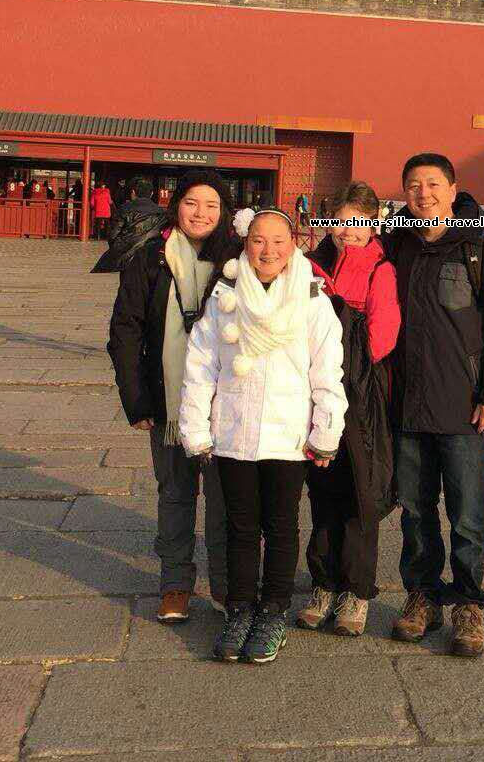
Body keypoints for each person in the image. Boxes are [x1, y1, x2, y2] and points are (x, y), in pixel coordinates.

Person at [180, 209, 348, 664]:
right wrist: (196, 428)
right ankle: (239, 609)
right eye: (258, 240)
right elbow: (201, 367)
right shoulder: (225, 295)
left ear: (293, 245)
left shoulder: (312, 298)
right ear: (245, 243)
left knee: (280, 526)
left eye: (277, 241)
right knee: (240, 527)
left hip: (287, 434)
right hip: (234, 429)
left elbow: (327, 370)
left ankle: (273, 610)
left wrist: (326, 429)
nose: (268, 250)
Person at [384, 154, 484, 659]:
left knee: (467, 514)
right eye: (413, 185)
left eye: (432, 184)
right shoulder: (396, 242)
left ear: (452, 190)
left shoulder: (480, 245)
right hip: (407, 405)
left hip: (466, 409)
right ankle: (423, 595)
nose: (423, 194)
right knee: (414, 510)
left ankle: (468, 600)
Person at [104, 171, 241, 624]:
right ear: (175, 205)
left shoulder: (238, 259)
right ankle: (175, 584)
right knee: (176, 496)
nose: (201, 213)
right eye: (191, 203)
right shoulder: (150, 257)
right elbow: (125, 330)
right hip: (169, 402)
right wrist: (136, 399)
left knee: (224, 502)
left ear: (224, 212)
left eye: (211, 205)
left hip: (225, 405)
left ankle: (226, 585)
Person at [297, 181, 401, 637]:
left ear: (373, 223)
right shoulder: (309, 265)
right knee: (322, 490)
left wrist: (337, 353)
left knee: (360, 492)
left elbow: (382, 337)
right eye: (340, 222)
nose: (348, 231)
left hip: (360, 395)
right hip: (314, 393)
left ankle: (356, 591)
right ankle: (323, 583)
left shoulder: (381, 269)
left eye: (358, 222)